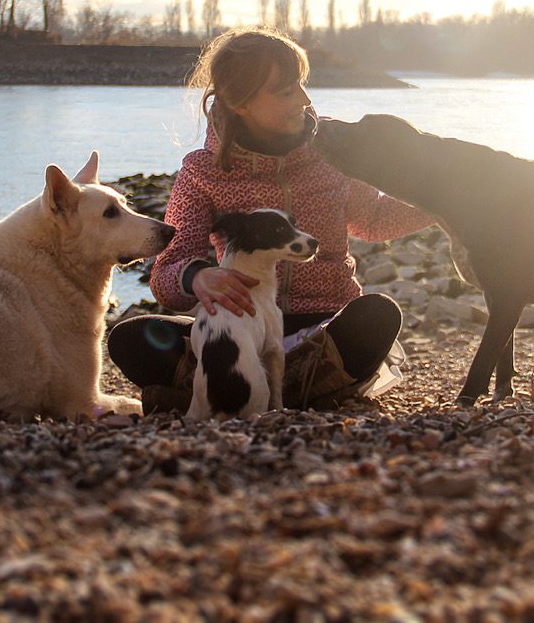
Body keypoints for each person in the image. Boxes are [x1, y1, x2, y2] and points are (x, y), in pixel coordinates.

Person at [108, 26, 433, 411]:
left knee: (378, 314)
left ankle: (238, 391)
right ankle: (304, 388)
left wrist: (444, 202)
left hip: (324, 326)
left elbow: (374, 220)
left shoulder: (334, 151)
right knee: (129, 339)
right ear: (240, 103)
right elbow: (165, 275)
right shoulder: (202, 173)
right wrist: (198, 277)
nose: (305, 99)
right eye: (286, 91)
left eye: (302, 85)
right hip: (239, 331)